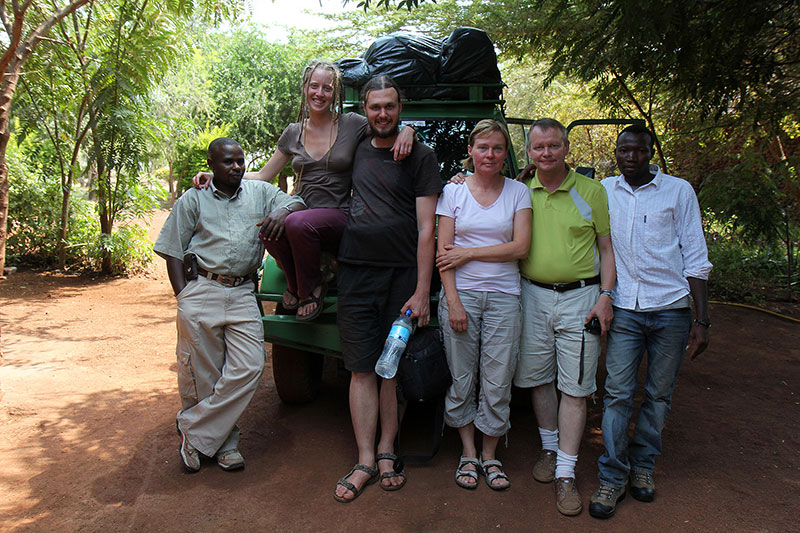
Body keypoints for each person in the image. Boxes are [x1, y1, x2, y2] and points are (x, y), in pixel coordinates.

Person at [194, 61, 413, 321]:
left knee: (296, 222)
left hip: (338, 214)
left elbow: (383, 126)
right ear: (305, 88)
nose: (320, 93)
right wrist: (216, 175)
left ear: (336, 94)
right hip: (300, 211)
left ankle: (310, 290)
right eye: (314, 86)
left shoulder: (352, 124)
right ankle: (297, 284)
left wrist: (408, 130)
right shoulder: (293, 133)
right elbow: (264, 175)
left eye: (327, 88)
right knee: (267, 230)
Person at [155, 137, 306, 472]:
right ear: (211, 165)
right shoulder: (194, 199)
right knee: (205, 373)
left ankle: (192, 430)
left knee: (250, 365)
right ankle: (225, 444)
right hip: (202, 290)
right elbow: (172, 249)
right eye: (228, 162)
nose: (236, 167)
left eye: (240, 160)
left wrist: (282, 211)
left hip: (241, 293)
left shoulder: (260, 192)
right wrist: (183, 297)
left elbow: (298, 202)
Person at [589, 124, 712, 518]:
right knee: (618, 394)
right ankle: (612, 476)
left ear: (650, 150)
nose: (630, 157)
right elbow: (550, 179)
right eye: (623, 150)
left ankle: (642, 467)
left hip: (671, 310)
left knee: (658, 395)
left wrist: (702, 318)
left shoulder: (679, 191)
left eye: (637, 151)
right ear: (617, 152)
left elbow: (695, 255)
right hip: (624, 307)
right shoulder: (604, 190)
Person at [332, 75, 441, 503]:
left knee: (390, 364)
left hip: (401, 277)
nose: (383, 114)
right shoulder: (354, 145)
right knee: (361, 367)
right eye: (374, 107)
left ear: (401, 107)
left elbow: (427, 229)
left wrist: (420, 289)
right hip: (355, 272)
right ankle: (363, 458)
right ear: (365, 109)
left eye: (390, 107)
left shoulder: (420, 154)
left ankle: (386, 450)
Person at [513, 118, 616, 516]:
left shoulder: (592, 191)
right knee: (538, 378)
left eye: (553, 146)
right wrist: (458, 179)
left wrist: (606, 296)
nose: (546, 153)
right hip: (532, 296)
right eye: (538, 147)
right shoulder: (520, 191)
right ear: (529, 152)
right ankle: (549, 449)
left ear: (567, 147)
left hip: (582, 297)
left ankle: (566, 473)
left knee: (575, 385)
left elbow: (607, 249)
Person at [436, 119, 532, 491]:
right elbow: (445, 255)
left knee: (498, 380)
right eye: (482, 148)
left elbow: (520, 247)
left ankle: (491, 454)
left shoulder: (518, 193)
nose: (489, 154)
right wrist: (455, 303)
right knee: (462, 378)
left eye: (496, 148)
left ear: (505, 153)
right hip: (461, 297)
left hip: (505, 298)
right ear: (471, 152)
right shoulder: (453, 192)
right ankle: (467, 452)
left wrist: (470, 253)